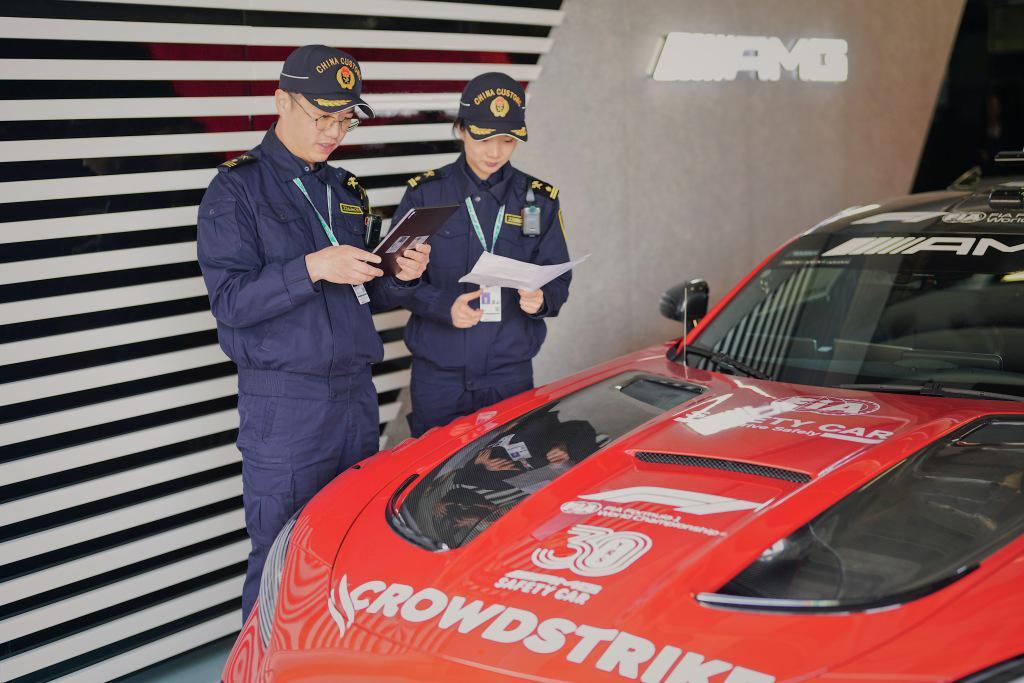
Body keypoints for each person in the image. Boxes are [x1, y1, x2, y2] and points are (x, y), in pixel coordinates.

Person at [196, 44, 430, 620]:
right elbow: (231, 301)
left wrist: (399, 274)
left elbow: (365, 293)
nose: (334, 132)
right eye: (323, 116)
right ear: (282, 101)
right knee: (281, 554)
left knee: (347, 545)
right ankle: (260, 662)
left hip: (354, 395)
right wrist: (311, 267)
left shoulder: (346, 190)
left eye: (345, 119)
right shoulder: (236, 189)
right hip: (286, 402)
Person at [375, 72, 572, 437]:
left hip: (509, 374)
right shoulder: (426, 194)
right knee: (436, 470)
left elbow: (558, 279)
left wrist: (542, 299)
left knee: (511, 466)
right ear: (461, 129)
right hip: (439, 377)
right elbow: (389, 283)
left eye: (507, 140)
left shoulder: (539, 200)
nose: (495, 152)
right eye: (484, 139)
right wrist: (442, 305)